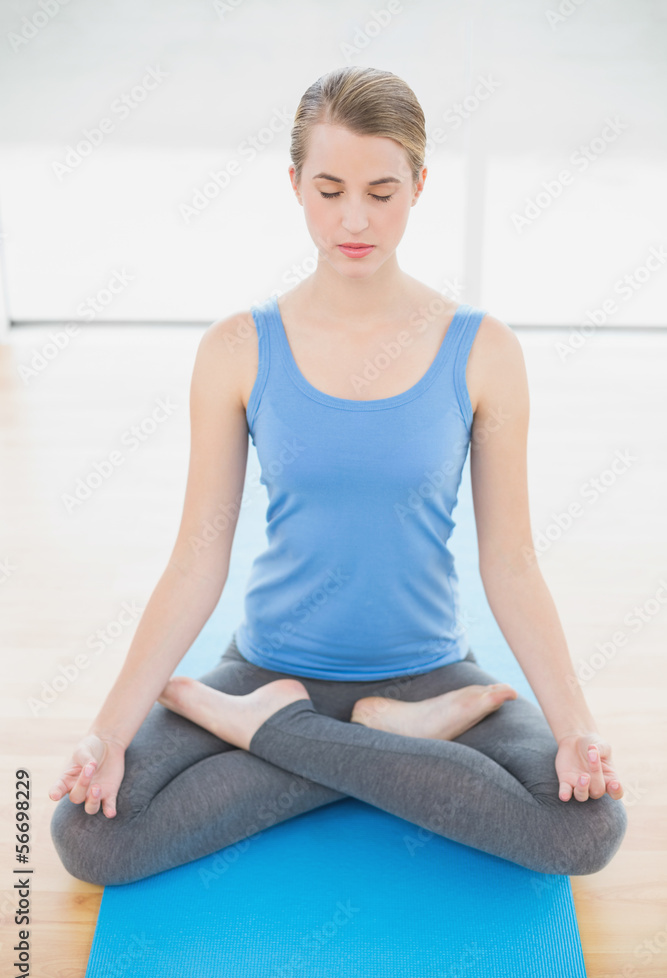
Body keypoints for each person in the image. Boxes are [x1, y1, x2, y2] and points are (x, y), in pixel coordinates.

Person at [49, 66, 628, 887]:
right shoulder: (236, 349)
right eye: (327, 189)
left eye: (382, 191)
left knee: (585, 828)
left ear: (420, 186)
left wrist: (576, 728)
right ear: (293, 185)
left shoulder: (483, 349)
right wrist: (105, 735)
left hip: (429, 672)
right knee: (91, 834)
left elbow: (512, 560)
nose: (353, 219)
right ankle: (385, 742)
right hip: (267, 666)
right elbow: (195, 558)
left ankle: (276, 732)